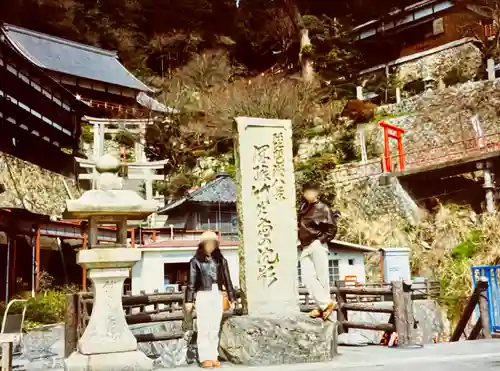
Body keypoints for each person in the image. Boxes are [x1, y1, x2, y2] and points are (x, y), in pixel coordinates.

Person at [184, 231, 235, 369]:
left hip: (217, 293)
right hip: (203, 294)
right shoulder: (195, 261)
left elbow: (227, 280)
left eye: (213, 242)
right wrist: (189, 300)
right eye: (208, 242)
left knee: (214, 327)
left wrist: (231, 297)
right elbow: (191, 282)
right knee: (204, 327)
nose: (211, 245)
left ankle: (213, 356)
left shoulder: (221, 260)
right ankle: (205, 357)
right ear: (202, 244)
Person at [298, 182, 341, 321]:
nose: (309, 194)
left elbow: (332, 228)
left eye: (312, 191)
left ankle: (323, 305)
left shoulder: (323, 208)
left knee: (322, 277)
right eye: (307, 192)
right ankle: (324, 304)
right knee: (307, 277)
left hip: (317, 244)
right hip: (305, 246)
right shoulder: (303, 207)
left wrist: (320, 240)